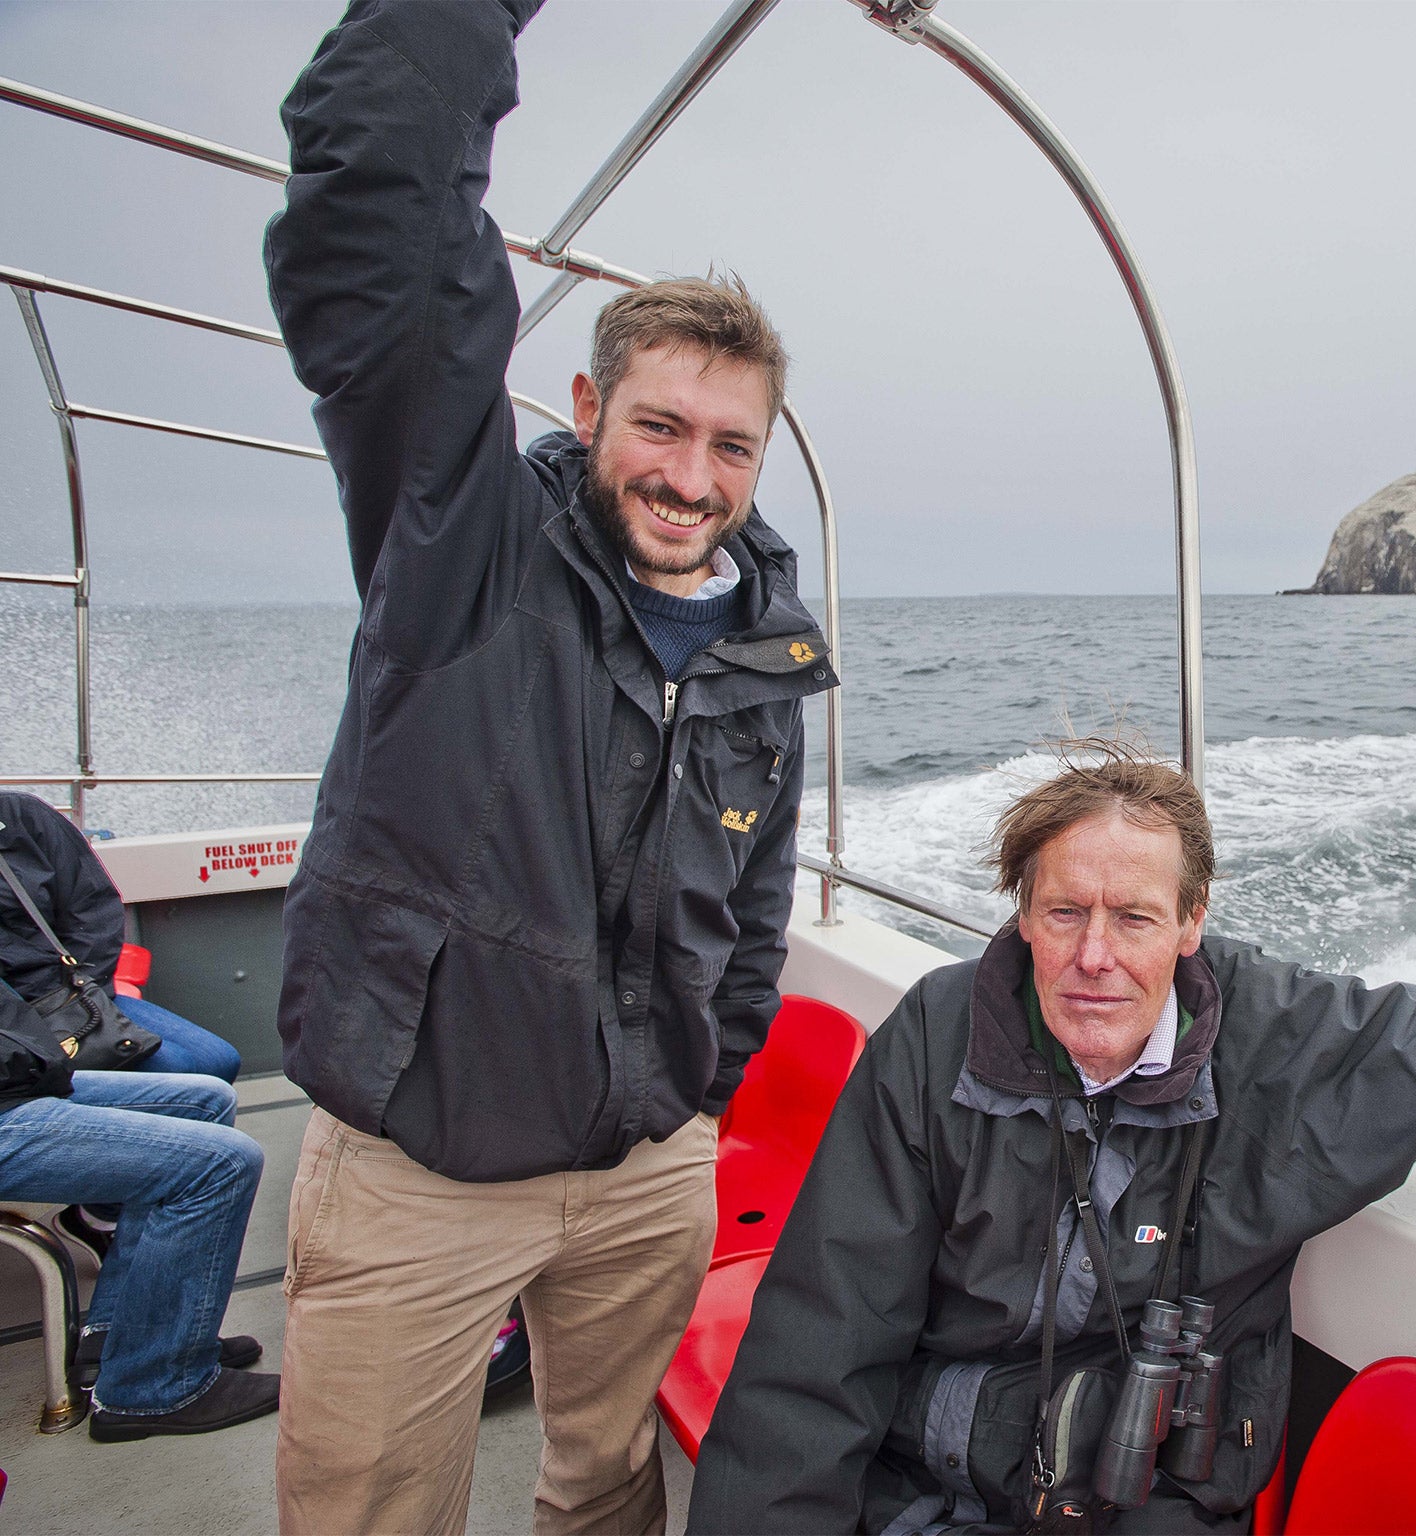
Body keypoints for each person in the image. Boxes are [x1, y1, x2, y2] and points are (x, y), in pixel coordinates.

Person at [263, 1, 831, 1531]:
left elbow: (755, 906)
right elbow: (377, 189)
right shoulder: (464, 541)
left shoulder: (766, 653)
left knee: (606, 1488)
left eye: (730, 446)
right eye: (658, 426)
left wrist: (695, 1097)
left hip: (646, 1169)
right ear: (584, 411)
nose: (688, 477)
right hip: (419, 1178)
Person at [688, 750, 1416, 1534]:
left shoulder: (1287, 1044)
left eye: (1134, 919)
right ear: (1018, 919)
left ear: (1191, 922)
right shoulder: (936, 1035)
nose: (1093, 956)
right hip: (922, 1486)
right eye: (1063, 914)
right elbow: (817, 1348)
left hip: (1151, 1500)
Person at [0, 977, 274, 1441]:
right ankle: (155, 1385)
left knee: (205, 1099)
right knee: (223, 1163)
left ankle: (119, 1335)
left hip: (14, 1076)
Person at [0, 790, 242, 1084]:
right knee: (177, 1071)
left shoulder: (20, 815)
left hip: (69, 988)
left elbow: (92, 907)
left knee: (219, 1061)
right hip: (13, 1023)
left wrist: (84, 994)